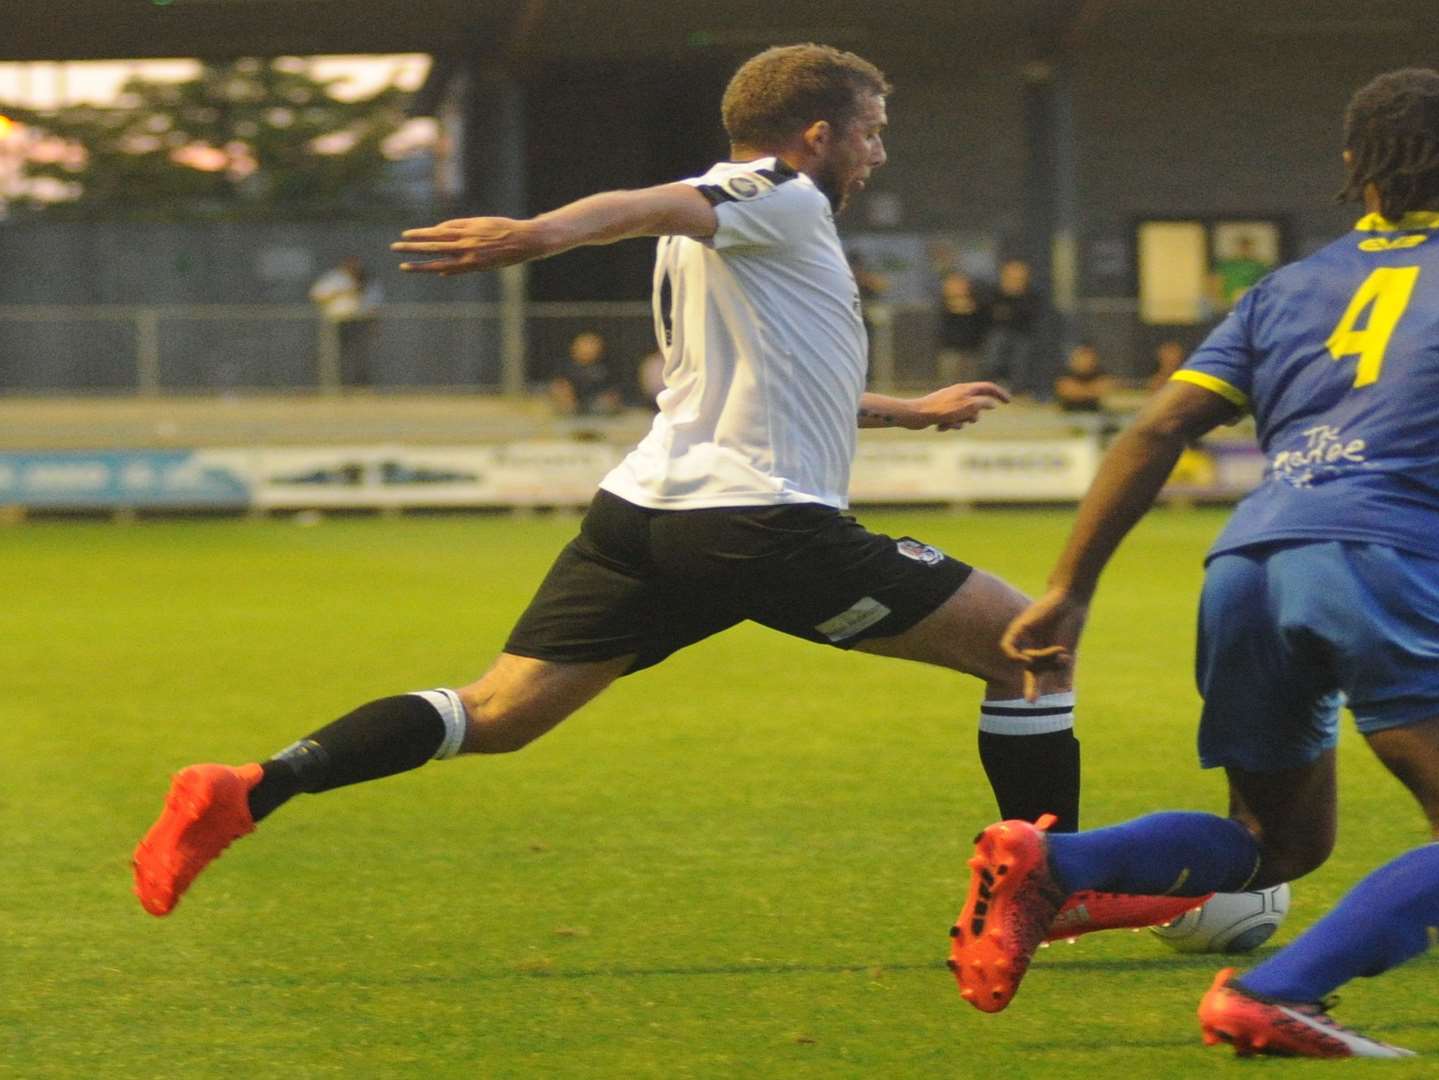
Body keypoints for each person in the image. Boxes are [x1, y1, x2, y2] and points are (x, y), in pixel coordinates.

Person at [133, 44, 1196, 942]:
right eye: (871, 131)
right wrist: (539, 234)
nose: (878, 152)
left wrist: (904, 412)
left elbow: (741, 377)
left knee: (499, 715)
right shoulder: (767, 195)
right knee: (1029, 645)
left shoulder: (750, 230)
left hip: (644, 516)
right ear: (815, 135)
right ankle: (1043, 891)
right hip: (758, 523)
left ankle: (251, 789)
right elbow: (645, 207)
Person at [944, 67, 1439, 1056]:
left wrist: (1069, 587)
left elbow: (1158, 428)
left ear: (1354, 168)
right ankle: (1276, 991)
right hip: (1388, 556)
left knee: (1279, 841)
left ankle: (1051, 859)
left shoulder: (1286, 288)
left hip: (1251, 562)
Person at [308, 256, 382, 386]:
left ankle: (359, 386)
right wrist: (341, 292)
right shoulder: (334, 278)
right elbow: (316, 295)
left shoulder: (367, 279)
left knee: (360, 354)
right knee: (335, 354)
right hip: (338, 321)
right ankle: (335, 385)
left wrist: (374, 322)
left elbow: (375, 303)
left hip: (360, 320)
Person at [982, 258, 1043, 398]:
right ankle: (991, 388)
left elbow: (1028, 314)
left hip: (1023, 334)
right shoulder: (995, 292)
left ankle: (1017, 391)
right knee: (993, 358)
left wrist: (1015, 299)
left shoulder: (1031, 294)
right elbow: (990, 312)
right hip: (998, 332)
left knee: (1020, 361)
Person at [549, 330, 624, 416]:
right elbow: (559, 386)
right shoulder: (563, 367)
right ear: (574, 347)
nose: (590, 348)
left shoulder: (606, 367)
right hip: (569, 408)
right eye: (585, 344)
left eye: (593, 344)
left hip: (598, 408)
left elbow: (614, 391)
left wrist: (610, 398)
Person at [935, 270, 988, 385]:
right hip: (950, 349)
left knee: (971, 382)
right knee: (950, 381)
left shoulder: (979, 304)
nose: (958, 287)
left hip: (973, 349)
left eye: (961, 284)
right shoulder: (941, 306)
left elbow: (982, 325)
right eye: (953, 285)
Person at [1211, 234, 1273, 312]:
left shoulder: (1260, 266)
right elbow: (1215, 282)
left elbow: (1267, 285)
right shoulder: (1227, 265)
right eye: (1243, 247)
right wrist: (1218, 301)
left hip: (1252, 305)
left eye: (1247, 247)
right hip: (1228, 305)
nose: (1245, 250)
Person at [1053, 343, 1113, 414]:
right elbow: (1067, 391)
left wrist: (1078, 390)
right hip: (1068, 416)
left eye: (1089, 356)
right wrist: (1092, 389)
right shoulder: (1064, 373)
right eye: (1082, 356)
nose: (1086, 360)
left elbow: (1104, 389)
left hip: (1094, 416)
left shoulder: (1101, 374)